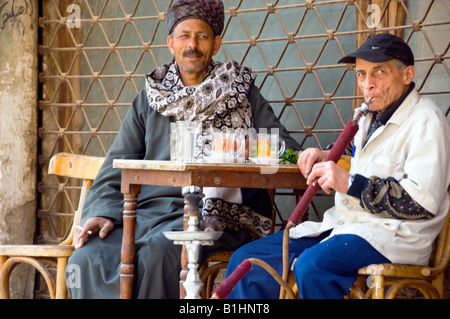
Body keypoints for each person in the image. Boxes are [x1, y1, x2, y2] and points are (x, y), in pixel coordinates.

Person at [65, 0, 300, 299]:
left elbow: (286, 149)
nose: (192, 45)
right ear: (171, 43)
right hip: (148, 214)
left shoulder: (241, 92)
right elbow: (118, 163)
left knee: (157, 257)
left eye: (201, 36)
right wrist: (101, 212)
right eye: (184, 36)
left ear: (216, 44)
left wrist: (248, 147)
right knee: (87, 259)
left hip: (216, 215)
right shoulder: (150, 97)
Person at [225, 33, 450, 299]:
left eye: (379, 72)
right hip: (347, 227)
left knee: (313, 267)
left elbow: (422, 202)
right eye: (361, 74)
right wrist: (323, 155)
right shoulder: (369, 118)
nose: (368, 84)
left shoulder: (427, 121)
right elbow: (360, 160)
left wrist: (349, 183)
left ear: (407, 74)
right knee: (247, 261)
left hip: (393, 236)